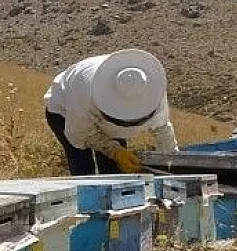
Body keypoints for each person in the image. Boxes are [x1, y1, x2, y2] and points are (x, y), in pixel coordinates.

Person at [43, 49, 178, 175]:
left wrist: (174, 165)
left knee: (114, 170)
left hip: (103, 118)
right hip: (63, 112)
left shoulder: (153, 92)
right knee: (83, 167)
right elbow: (79, 135)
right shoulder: (84, 96)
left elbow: (163, 130)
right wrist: (115, 151)